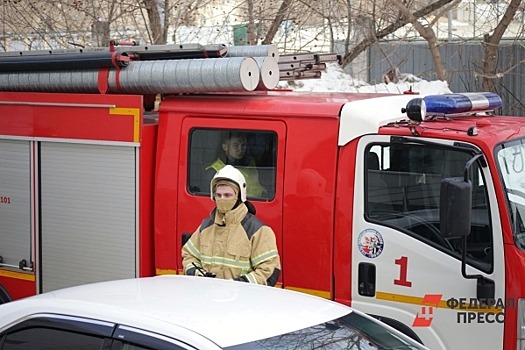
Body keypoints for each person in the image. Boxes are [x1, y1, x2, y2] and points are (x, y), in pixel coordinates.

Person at [182, 165, 281, 285]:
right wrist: (199, 275)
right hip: (208, 298)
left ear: (239, 196)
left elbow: (269, 270)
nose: (222, 199)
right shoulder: (206, 227)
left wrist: (237, 285)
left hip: (242, 301)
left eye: (227, 195)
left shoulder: (257, 230)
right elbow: (189, 256)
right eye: (218, 195)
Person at [205, 131, 267, 198]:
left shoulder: (251, 164)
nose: (240, 150)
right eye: (235, 146)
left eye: (243, 145)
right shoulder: (214, 171)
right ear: (225, 147)